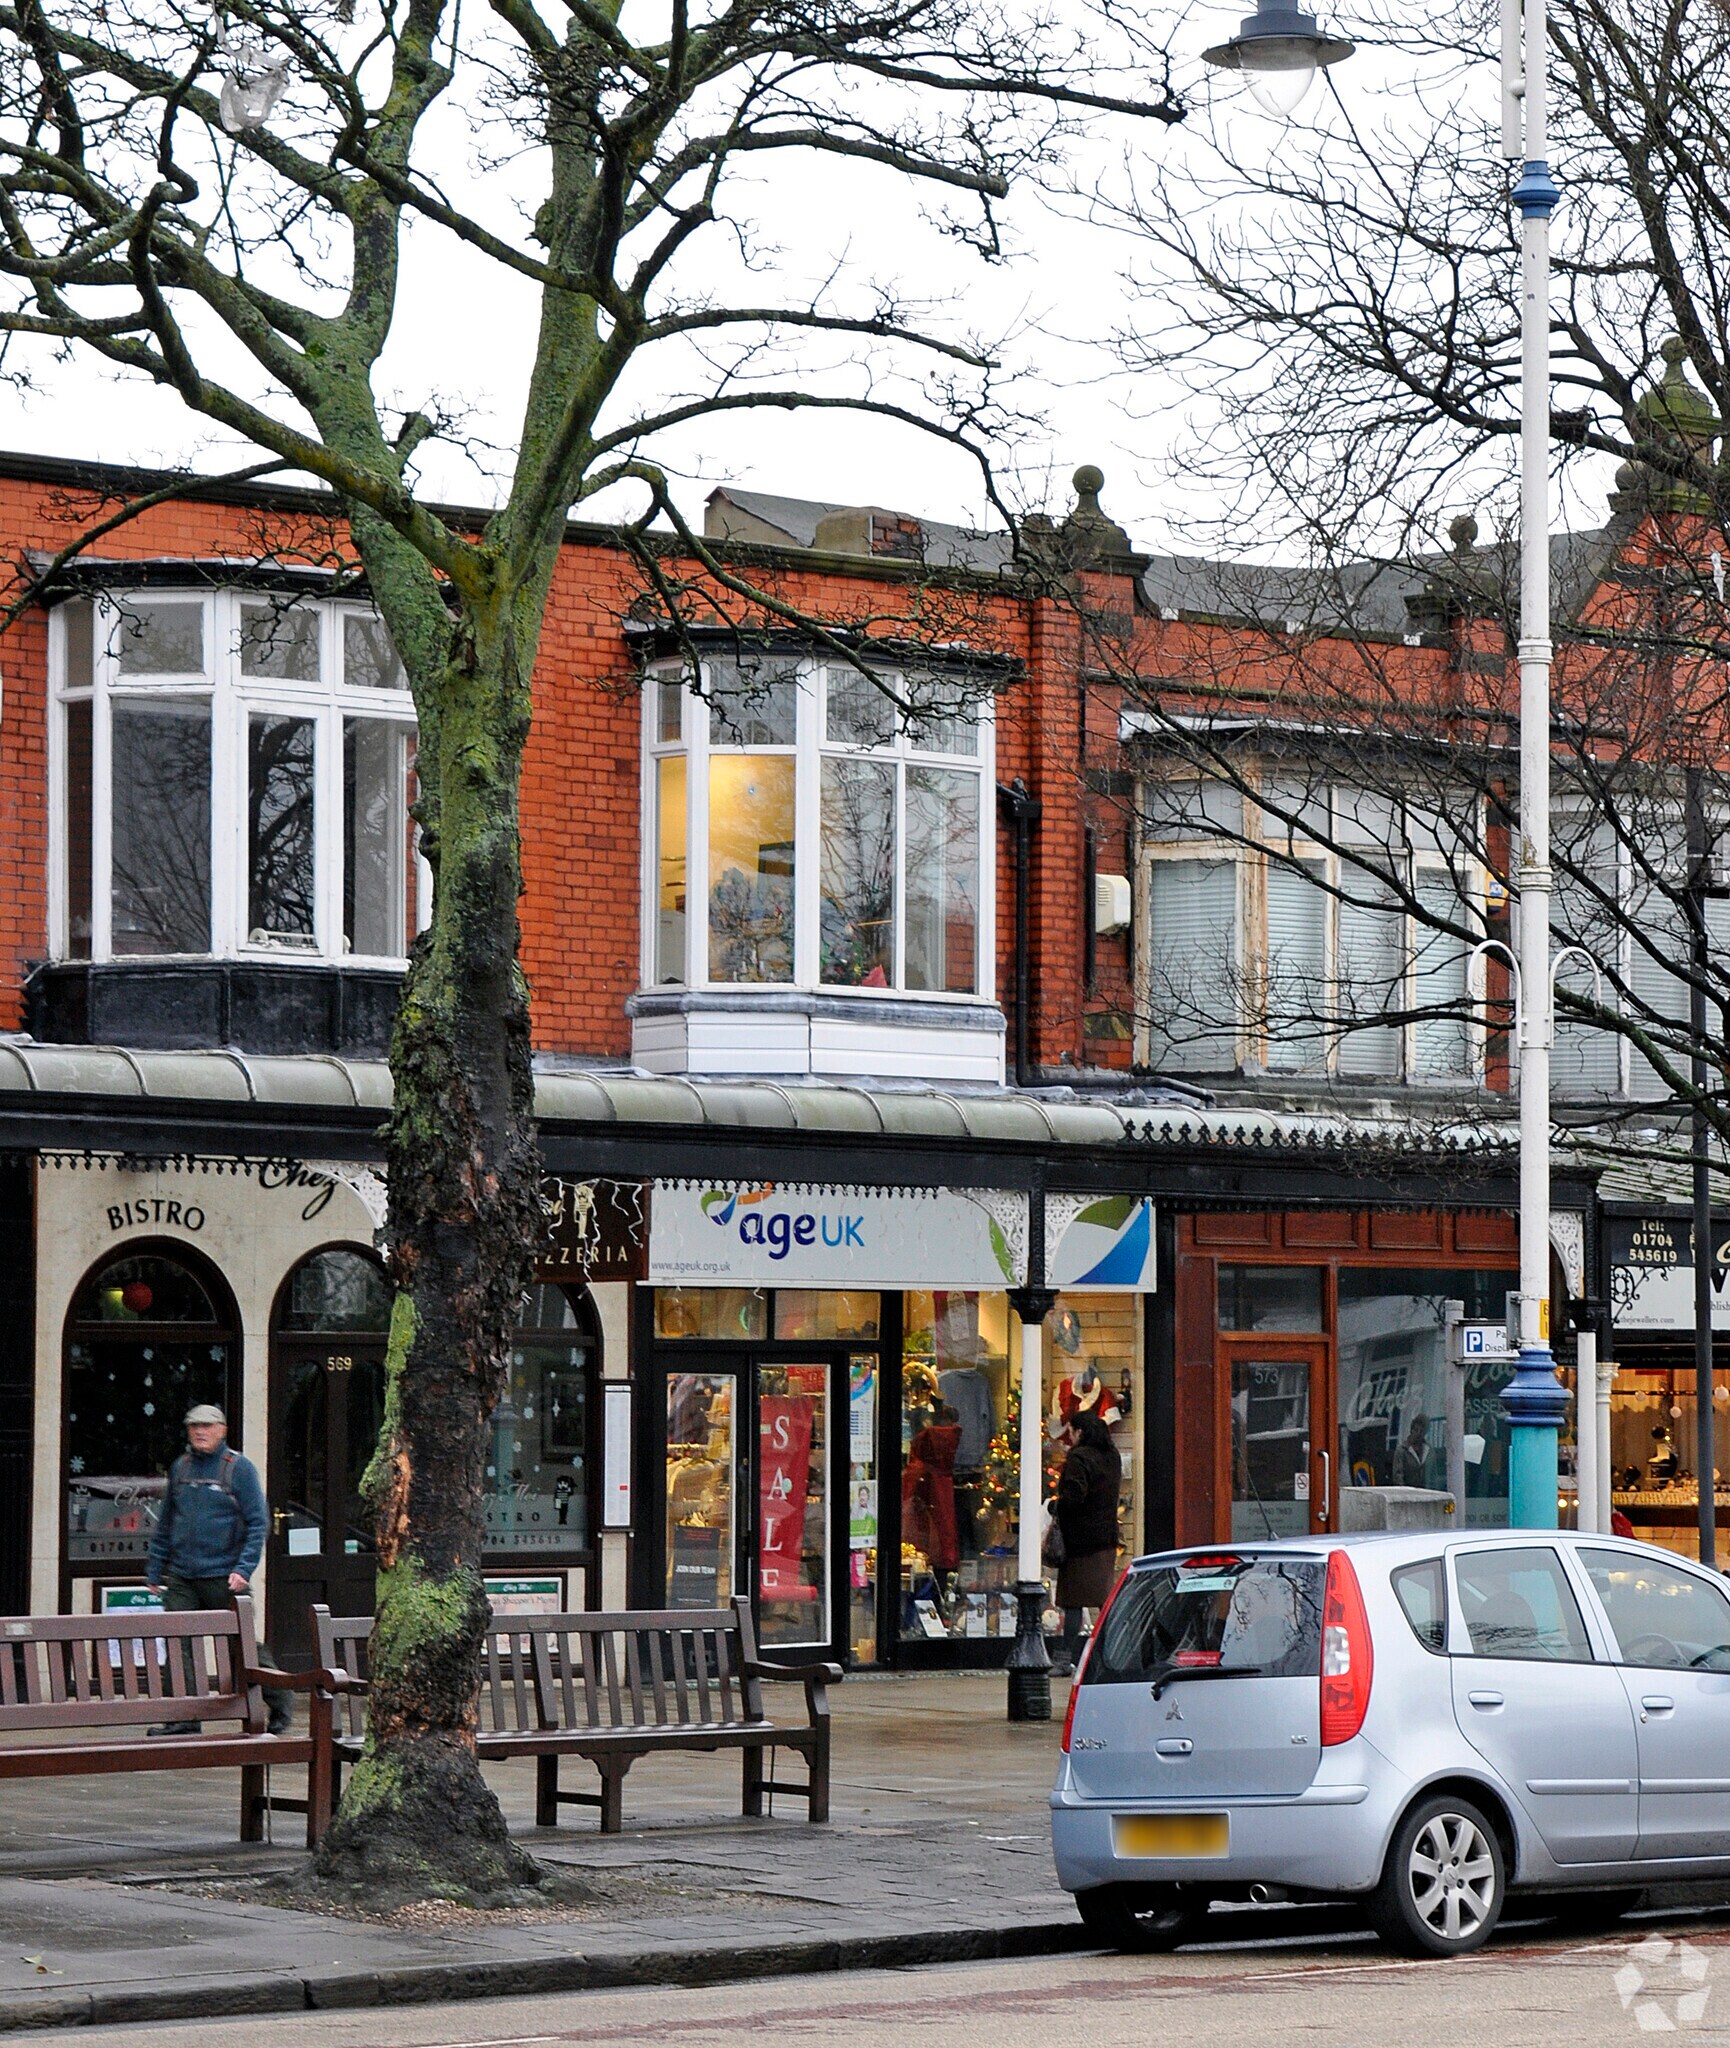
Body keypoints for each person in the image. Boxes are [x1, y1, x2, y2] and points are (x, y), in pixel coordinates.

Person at [145, 1403, 292, 1737]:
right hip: (182, 1576)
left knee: (241, 1647)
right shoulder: (180, 1467)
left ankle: (281, 1701)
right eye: (194, 1426)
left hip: (226, 1576)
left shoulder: (238, 1468)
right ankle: (185, 1717)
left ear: (222, 1430)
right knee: (178, 1643)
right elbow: (167, 1522)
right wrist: (155, 1568)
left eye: (208, 1426)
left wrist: (244, 1569)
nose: (200, 1431)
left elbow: (258, 1523)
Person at [1051, 1410, 1122, 1674]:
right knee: (1103, 1599)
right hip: (1105, 1538)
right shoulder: (1111, 1456)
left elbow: (1074, 1497)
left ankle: (1063, 1658)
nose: (1069, 1436)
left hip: (1079, 1540)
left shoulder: (1079, 1458)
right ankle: (1110, 1655)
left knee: (1072, 1602)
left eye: (1071, 1430)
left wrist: (1055, 1507)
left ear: (1080, 1432)